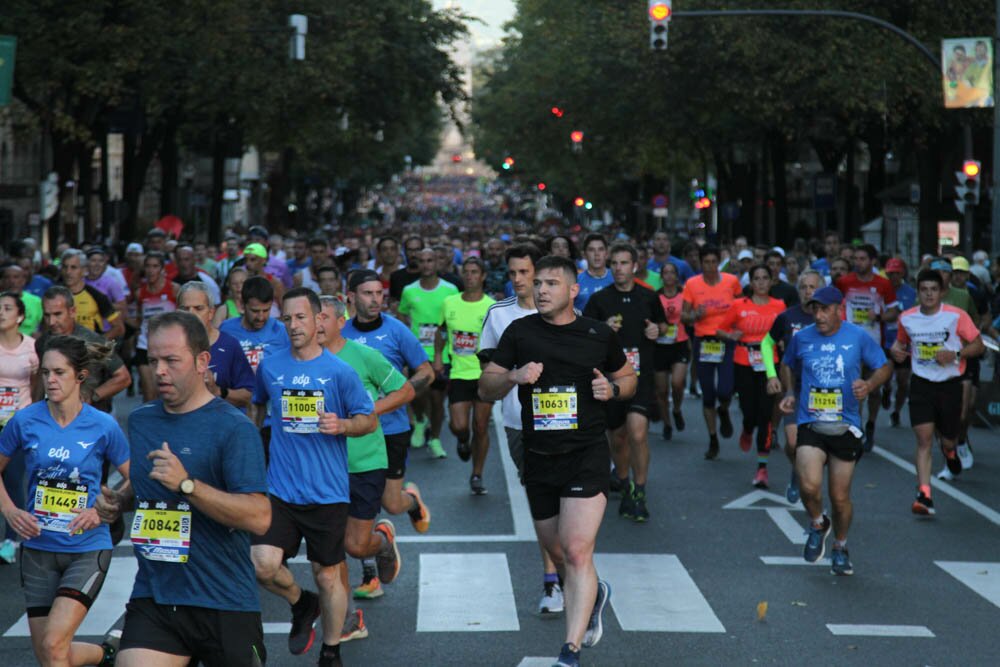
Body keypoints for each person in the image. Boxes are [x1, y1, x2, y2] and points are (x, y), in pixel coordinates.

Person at [479, 255, 637, 667]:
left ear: (572, 290)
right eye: (539, 283)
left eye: (551, 283)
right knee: (559, 552)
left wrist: (613, 392)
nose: (541, 289)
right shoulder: (519, 332)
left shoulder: (597, 334)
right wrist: (513, 377)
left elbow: (628, 377)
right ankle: (594, 594)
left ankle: (570, 651)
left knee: (577, 549)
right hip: (539, 456)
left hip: (585, 453)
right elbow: (485, 386)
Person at [94, 311, 272, 666]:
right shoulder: (143, 419)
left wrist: (187, 485)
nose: (159, 370)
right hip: (156, 597)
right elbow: (149, 485)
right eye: (153, 359)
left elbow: (259, 517)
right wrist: (120, 501)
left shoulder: (233, 428)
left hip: (222, 600)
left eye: (171, 360)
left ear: (202, 361)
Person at [250, 288, 379, 666]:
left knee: (327, 576)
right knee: (263, 564)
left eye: (300, 317)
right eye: (286, 319)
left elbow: (368, 419)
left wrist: (342, 425)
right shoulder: (270, 366)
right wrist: (253, 450)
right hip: (281, 490)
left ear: (318, 318)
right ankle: (300, 603)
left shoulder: (339, 372)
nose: (293, 325)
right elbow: (258, 407)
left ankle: (331, 649)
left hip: (327, 492)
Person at [0, 335, 129, 666]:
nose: (50, 380)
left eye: (59, 372)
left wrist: (102, 512)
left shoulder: (103, 426)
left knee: (56, 645)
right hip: (39, 549)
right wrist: (10, 511)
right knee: (50, 654)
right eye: (45, 373)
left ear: (80, 376)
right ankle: (105, 656)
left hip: (86, 547)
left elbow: (135, 477)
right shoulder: (25, 421)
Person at [317, 295, 414, 639]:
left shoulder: (363, 355)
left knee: (356, 546)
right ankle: (346, 620)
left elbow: (404, 391)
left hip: (365, 462)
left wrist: (369, 411)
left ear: (340, 321)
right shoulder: (302, 361)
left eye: (323, 317)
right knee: (329, 549)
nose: (315, 324)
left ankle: (383, 540)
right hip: (322, 465)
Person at [779, 286, 891, 576]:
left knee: (839, 498)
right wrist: (790, 391)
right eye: (815, 309)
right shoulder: (802, 337)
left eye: (824, 309)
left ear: (838, 309)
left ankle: (840, 546)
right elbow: (787, 363)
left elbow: (884, 367)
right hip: (811, 422)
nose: (819, 315)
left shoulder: (857, 336)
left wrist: (868, 385)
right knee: (809, 485)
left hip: (846, 426)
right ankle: (818, 523)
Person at [478, 243, 565, 615]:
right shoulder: (498, 314)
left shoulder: (566, 311)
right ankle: (553, 581)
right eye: (511, 273)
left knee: (569, 501)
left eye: (524, 273)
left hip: (567, 420)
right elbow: (488, 371)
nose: (517, 280)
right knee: (543, 502)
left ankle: (569, 568)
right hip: (519, 422)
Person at [341, 269, 434, 599]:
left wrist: (401, 393)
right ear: (350, 297)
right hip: (352, 434)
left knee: (390, 503)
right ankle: (369, 576)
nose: (376, 300)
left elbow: (425, 372)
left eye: (380, 293)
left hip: (391, 428)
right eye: (368, 294)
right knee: (358, 509)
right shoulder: (340, 333)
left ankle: (412, 501)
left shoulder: (396, 331)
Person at [890, 270, 984, 515]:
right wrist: (896, 350)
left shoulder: (956, 316)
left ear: (942, 292)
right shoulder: (907, 318)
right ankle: (924, 494)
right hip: (921, 384)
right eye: (924, 290)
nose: (929, 294)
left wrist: (955, 354)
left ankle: (951, 452)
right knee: (923, 440)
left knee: (948, 438)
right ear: (918, 292)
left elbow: (978, 344)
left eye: (933, 289)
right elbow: (900, 343)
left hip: (950, 384)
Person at [583, 242, 665, 522]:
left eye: (624, 263)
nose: (618, 268)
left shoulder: (648, 296)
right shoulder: (600, 299)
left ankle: (639, 488)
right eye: (614, 263)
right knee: (617, 438)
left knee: (638, 432)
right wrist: (603, 329)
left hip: (641, 376)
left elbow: (662, 325)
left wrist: (657, 329)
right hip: (611, 379)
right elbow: (586, 334)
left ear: (635, 266)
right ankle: (623, 480)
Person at [719, 265, 786, 488]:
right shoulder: (739, 305)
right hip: (743, 362)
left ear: (771, 281)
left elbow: (787, 332)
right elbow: (720, 329)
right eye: (756, 278)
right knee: (749, 411)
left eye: (764, 278)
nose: (760, 282)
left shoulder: (779, 306)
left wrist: (785, 341)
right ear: (750, 282)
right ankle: (747, 428)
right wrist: (731, 335)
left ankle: (762, 468)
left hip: (770, 365)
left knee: (765, 414)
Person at [434, 257, 495, 494]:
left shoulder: (491, 306)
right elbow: (440, 331)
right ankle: (462, 440)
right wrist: (439, 356)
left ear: (483, 276)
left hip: (483, 374)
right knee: (459, 425)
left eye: (474, 272)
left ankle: (477, 474)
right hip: (458, 372)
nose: (469, 276)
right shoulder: (449, 303)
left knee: (481, 426)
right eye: (466, 272)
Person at [762, 270, 822, 503]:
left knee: (819, 447)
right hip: (793, 389)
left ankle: (807, 477)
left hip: (822, 390)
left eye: (813, 287)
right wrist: (771, 374)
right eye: (804, 287)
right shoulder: (787, 317)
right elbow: (766, 343)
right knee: (793, 443)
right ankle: (797, 472)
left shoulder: (829, 318)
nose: (808, 292)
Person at [834, 244, 899, 450]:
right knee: (856, 387)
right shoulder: (845, 282)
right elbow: (833, 306)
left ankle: (871, 424)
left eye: (863, 259)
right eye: (856, 258)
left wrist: (878, 316)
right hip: (851, 344)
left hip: (874, 344)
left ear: (872, 261)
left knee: (874, 389)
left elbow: (894, 313)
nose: (858, 262)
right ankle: (857, 426)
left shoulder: (883, 284)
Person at [681, 245, 743, 459]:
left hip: (726, 341)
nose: (710, 266)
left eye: (713, 262)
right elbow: (684, 316)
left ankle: (724, 410)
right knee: (708, 394)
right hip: (704, 341)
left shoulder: (731, 282)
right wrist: (695, 316)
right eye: (705, 262)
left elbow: (741, 307)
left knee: (726, 389)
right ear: (700, 263)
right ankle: (713, 438)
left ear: (719, 262)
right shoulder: (692, 284)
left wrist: (738, 329)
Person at [398, 248, 458, 458]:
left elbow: (454, 318)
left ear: (437, 263)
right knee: (415, 393)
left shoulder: (450, 289)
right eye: (421, 260)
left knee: (437, 399)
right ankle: (421, 420)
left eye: (430, 260)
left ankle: (435, 438)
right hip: (417, 354)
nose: (426, 265)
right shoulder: (409, 290)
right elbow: (402, 314)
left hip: (442, 353)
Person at [36, 286, 132, 413]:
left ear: (72, 311)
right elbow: (40, 378)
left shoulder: (93, 341)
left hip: (93, 416)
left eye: (58, 314)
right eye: (47, 315)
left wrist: (92, 395)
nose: (51, 322)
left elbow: (123, 377)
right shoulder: (42, 342)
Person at [0, 291, 40, 564]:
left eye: (7, 308)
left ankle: (11, 540)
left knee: (13, 479)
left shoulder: (32, 347)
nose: (1, 313)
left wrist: (33, 414)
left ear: (20, 316)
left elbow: (37, 384)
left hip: (18, 422)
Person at [177, 282, 256, 409]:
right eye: (185, 309)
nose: (191, 315)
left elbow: (250, 394)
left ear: (211, 312)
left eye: (198, 308)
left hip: (222, 425)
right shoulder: (169, 347)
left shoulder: (229, 345)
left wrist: (218, 391)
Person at [130, 252, 179, 402]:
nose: (151, 270)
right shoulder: (140, 292)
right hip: (145, 345)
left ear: (162, 269)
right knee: (149, 394)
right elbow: (137, 317)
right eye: (148, 266)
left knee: (166, 394)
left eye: (155, 266)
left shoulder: (174, 289)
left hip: (169, 346)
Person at [219, 276, 290, 374]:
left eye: (266, 310)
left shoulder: (281, 331)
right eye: (255, 311)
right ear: (243, 305)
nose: (261, 317)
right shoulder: (226, 329)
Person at [653, 262, 689, 441]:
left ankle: (676, 409)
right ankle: (667, 424)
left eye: (671, 273)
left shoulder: (684, 295)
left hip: (679, 343)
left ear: (676, 276)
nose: (668, 276)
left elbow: (690, 316)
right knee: (661, 391)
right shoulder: (655, 297)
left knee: (677, 383)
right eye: (665, 273)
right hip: (659, 346)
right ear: (661, 276)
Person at [60, 249, 125, 340]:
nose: (68, 272)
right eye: (65, 267)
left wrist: (97, 343)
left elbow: (119, 328)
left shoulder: (96, 296)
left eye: (73, 267)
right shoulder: (55, 294)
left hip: (88, 351)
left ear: (84, 270)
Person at [882, 259, 917, 427]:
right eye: (890, 273)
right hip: (885, 341)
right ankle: (886, 388)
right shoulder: (882, 290)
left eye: (896, 273)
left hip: (904, 343)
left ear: (902, 273)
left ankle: (896, 411)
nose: (893, 276)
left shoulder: (911, 293)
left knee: (903, 381)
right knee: (886, 375)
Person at [1, 262, 43, 335]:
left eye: (16, 277)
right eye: (7, 277)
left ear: (23, 280)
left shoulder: (36, 301)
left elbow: (45, 325)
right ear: (2, 281)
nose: (11, 281)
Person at [574, 234, 613, 311]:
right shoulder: (575, 281)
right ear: (584, 254)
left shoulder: (617, 278)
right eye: (591, 250)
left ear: (607, 253)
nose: (597, 254)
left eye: (601, 249)